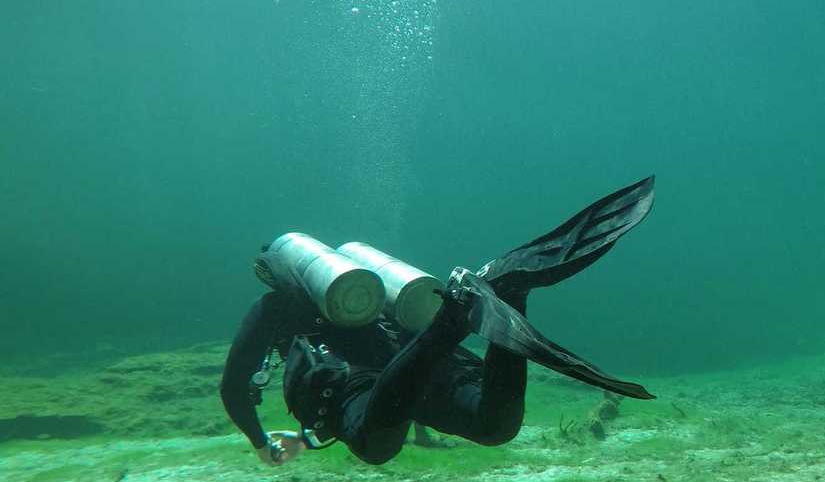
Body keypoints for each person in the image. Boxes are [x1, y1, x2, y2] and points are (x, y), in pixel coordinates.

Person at [220, 177, 656, 466]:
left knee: (374, 446)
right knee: (493, 426)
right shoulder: (369, 294)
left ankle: (454, 317)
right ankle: (509, 293)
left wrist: (260, 444)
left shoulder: (274, 308)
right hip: (412, 353)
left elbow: (234, 387)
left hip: (361, 383)